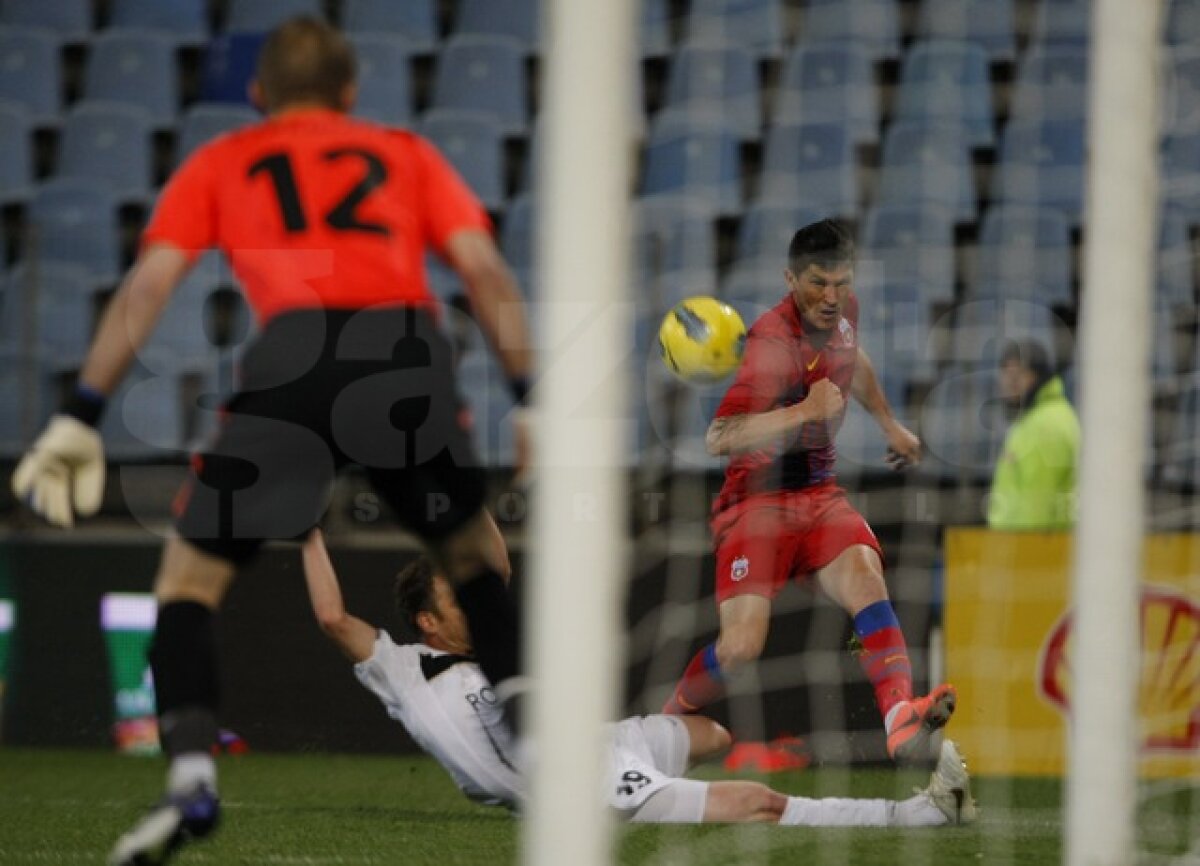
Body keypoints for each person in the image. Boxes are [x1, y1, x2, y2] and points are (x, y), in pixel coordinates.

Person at [9, 18, 531, 866]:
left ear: (258, 96)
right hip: (398, 351)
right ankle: (534, 729)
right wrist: (532, 395)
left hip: (290, 362)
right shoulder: (403, 152)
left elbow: (147, 286)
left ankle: (187, 775)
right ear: (351, 93)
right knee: (478, 563)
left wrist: (80, 412)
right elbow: (484, 270)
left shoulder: (223, 161)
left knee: (186, 584)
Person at [300, 530, 977, 827]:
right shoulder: (401, 669)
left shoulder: (489, 647)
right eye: (456, 598)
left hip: (600, 741)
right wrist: (307, 535)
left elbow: (497, 568)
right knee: (758, 806)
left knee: (709, 732)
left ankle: (670, 759)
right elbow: (332, 617)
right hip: (578, 784)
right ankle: (918, 815)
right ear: (427, 620)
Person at [662, 219, 957, 765]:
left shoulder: (845, 314)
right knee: (742, 649)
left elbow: (855, 361)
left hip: (819, 496)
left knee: (867, 579)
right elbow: (717, 437)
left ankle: (898, 718)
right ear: (790, 279)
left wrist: (890, 425)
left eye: (842, 283)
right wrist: (804, 411)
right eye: (819, 283)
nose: (832, 296)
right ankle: (668, 723)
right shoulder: (770, 347)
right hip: (755, 504)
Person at [987, 339, 1080, 530]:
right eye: (1004, 374)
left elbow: (1035, 508)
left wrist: (1024, 554)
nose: (1007, 384)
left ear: (1037, 377)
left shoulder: (1044, 426)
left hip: (1029, 552)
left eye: (1016, 375)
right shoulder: (1039, 419)